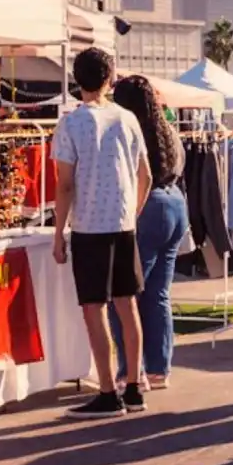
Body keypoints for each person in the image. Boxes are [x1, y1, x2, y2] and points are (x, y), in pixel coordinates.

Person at [52, 48, 152, 419]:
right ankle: (134, 385)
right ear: (110, 79)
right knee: (127, 305)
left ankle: (109, 391)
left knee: (94, 309)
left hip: (90, 226)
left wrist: (58, 232)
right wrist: (132, 212)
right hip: (122, 223)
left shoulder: (71, 124)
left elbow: (64, 185)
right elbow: (146, 175)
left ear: (78, 82)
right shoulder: (127, 119)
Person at [109, 75, 189, 391]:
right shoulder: (167, 131)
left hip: (146, 205)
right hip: (173, 204)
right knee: (157, 293)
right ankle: (158, 368)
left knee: (125, 295)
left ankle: (131, 370)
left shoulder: (128, 130)